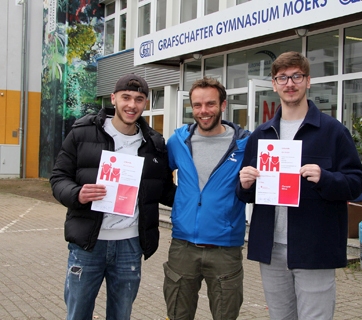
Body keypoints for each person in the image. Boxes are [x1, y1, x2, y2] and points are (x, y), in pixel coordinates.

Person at [237, 51, 362, 320]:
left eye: (297, 76)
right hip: (271, 248)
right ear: (274, 84)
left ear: (308, 81)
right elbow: (245, 194)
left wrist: (327, 178)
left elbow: (357, 182)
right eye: (282, 77)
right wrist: (245, 183)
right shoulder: (261, 135)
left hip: (314, 248)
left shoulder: (332, 131)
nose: (289, 83)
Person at [50, 74, 176, 320]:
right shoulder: (82, 132)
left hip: (130, 244)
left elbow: (164, 190)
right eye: (126, 97)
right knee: (77, 314)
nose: (132, 105)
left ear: (146, 104)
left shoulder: (154, 143)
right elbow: (58, 178)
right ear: (113, 98)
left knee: (121, 315)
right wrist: (78, 194)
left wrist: (204, 194)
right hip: (88, 244)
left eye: (139, 99)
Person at [163, 76, 251, 320]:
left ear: (223, 105)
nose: (204, 111)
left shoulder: (245, 145)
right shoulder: (177, 142)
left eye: (210, 104)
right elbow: (161, 178)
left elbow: (256, 188)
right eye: (198, 105)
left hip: (225, 250)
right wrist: (182, 204)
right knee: (178, 315)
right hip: (182, 247)